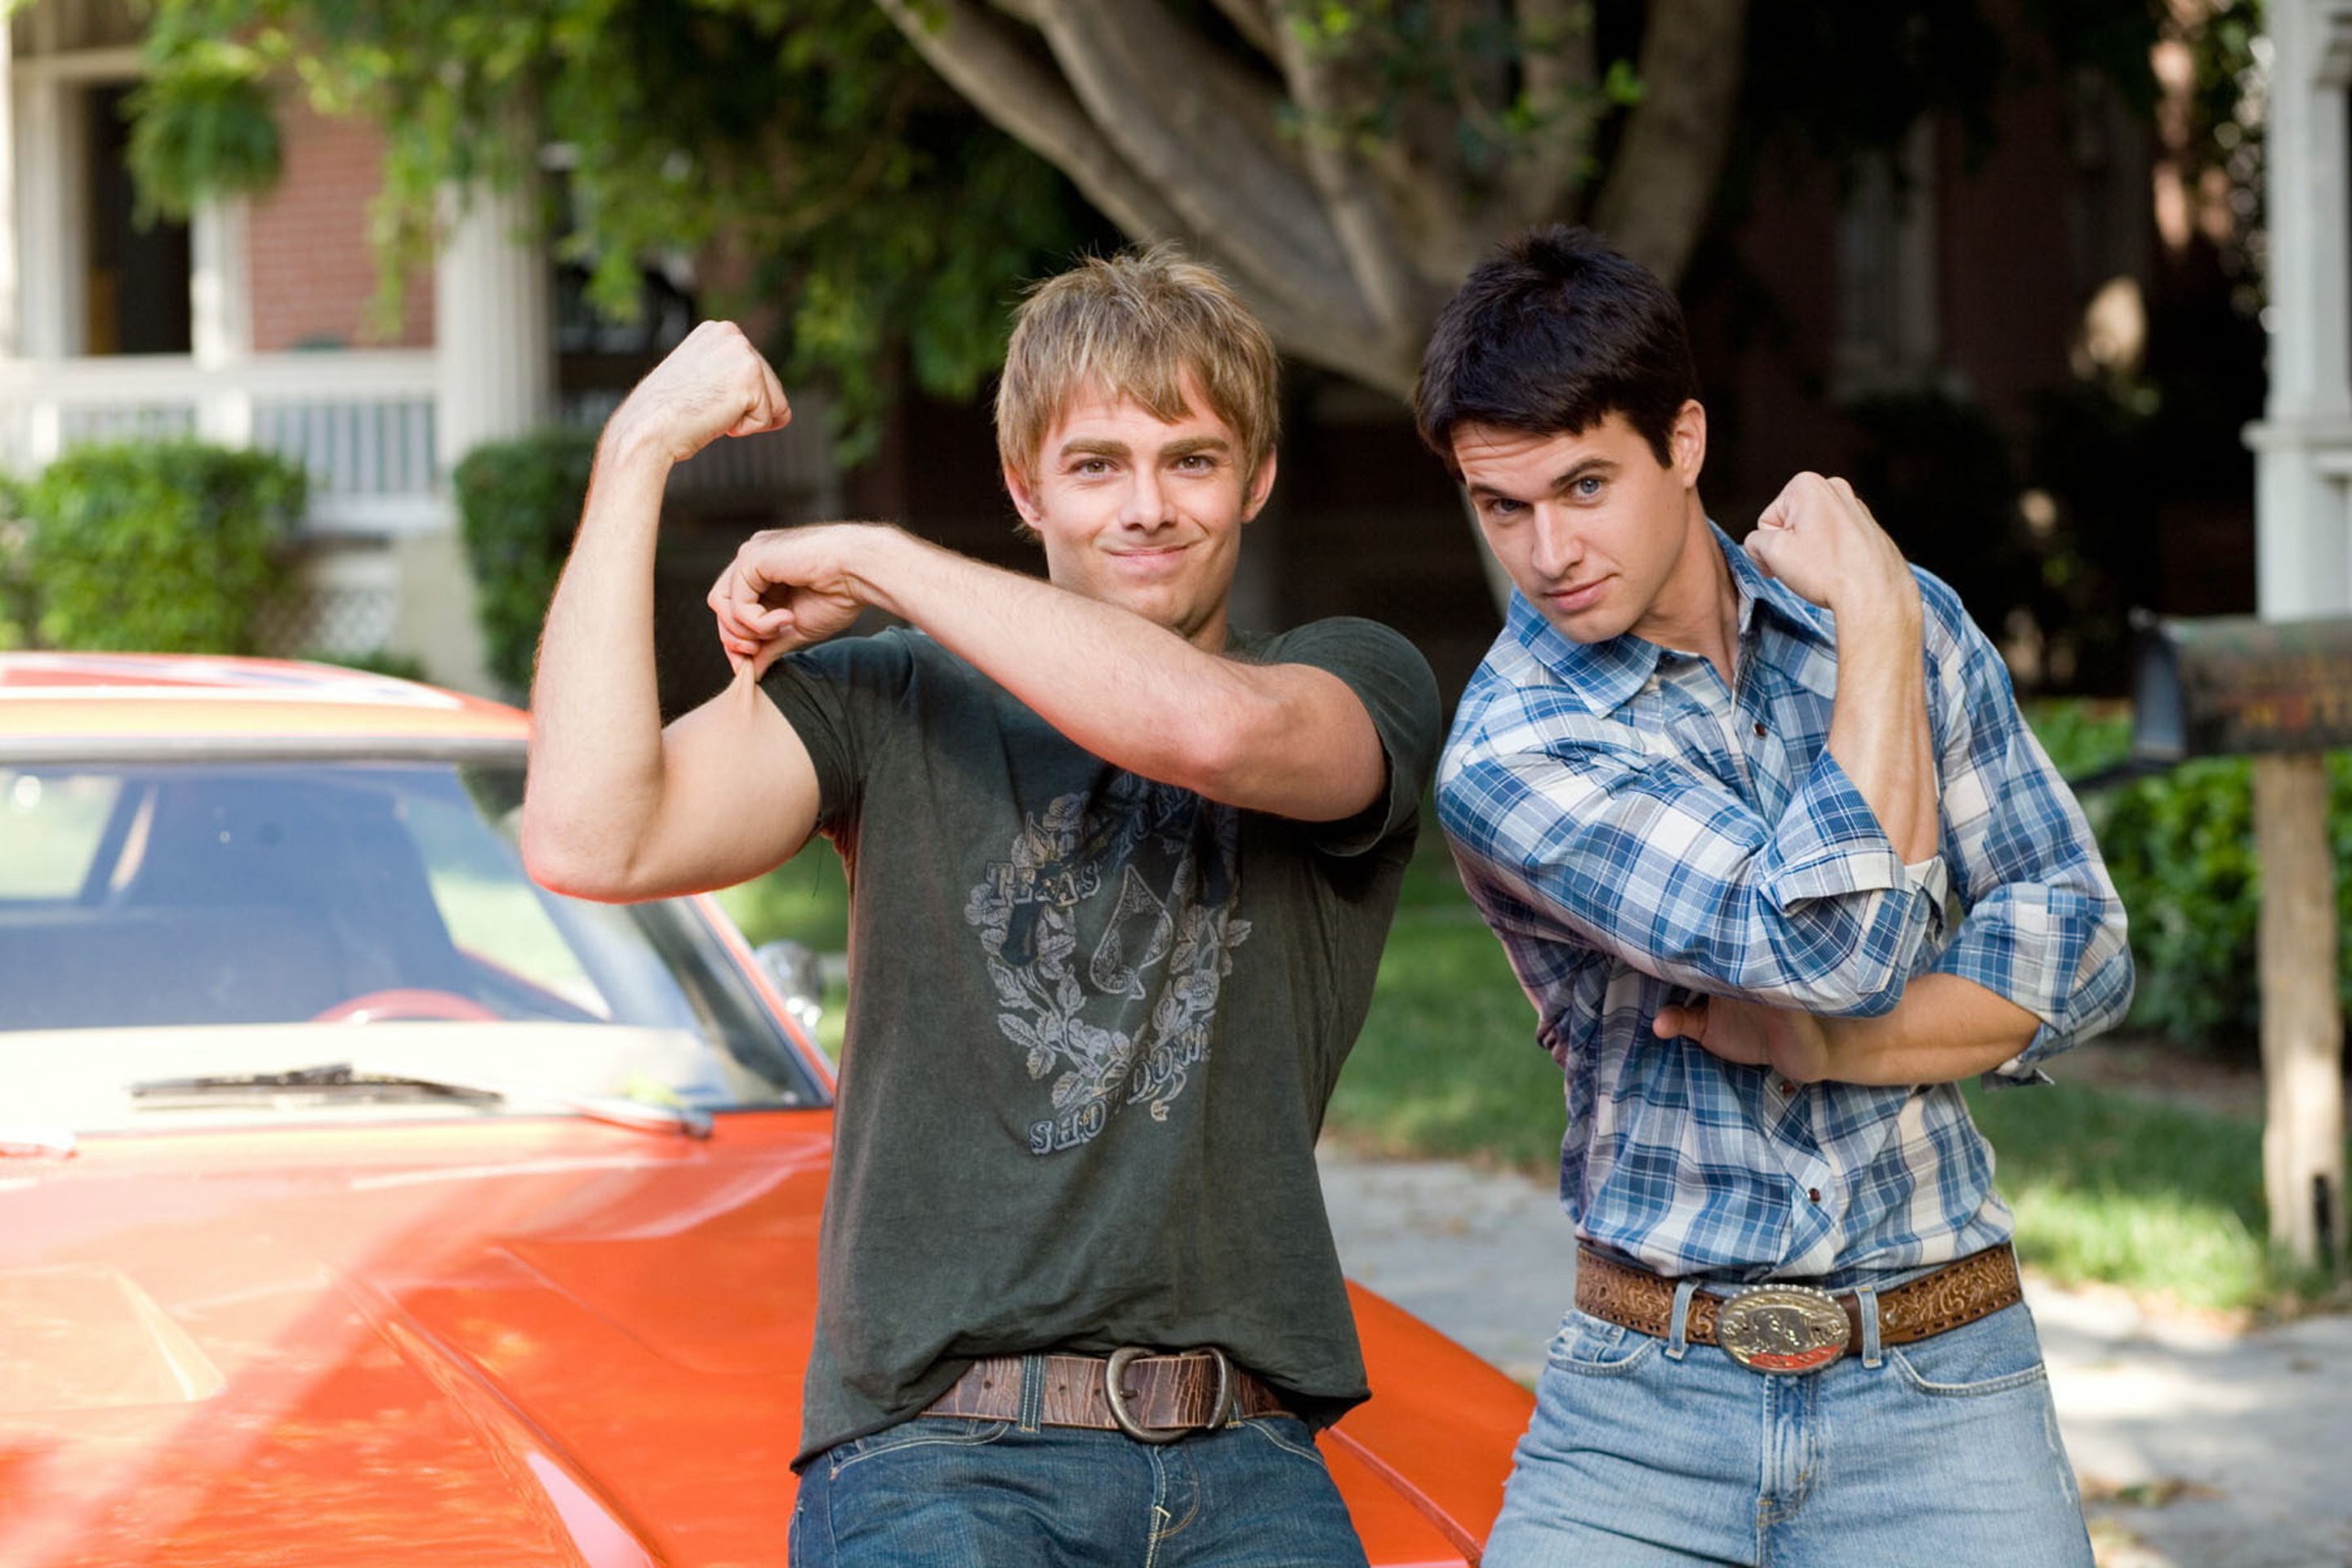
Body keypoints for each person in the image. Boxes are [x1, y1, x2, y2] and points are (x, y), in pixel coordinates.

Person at [522, 245, 1441, 1567]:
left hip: (1247, 1461)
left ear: (1257, 478)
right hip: (939, 1461)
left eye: (1190, 459)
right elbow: (588, 835)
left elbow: (1208, 734)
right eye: (1096, 465)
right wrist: (636, 454)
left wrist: (881, 560)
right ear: (1025, 487)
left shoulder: (1350, 679)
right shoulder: (892, 697)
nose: (1147, 507)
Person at [1414, 225, 2133, 1566]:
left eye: (1584, 485)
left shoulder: (1897, 616)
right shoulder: (1514, 752)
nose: (1548, 549)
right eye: (1501, 506)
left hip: (1942, 1376)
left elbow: (2080, 938)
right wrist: (1880, 622)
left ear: (1684, 441)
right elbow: (1830, 951)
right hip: (1645, 1413)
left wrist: (1829, 1050)